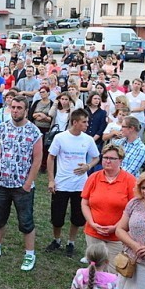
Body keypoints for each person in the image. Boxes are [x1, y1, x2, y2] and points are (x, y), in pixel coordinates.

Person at [81, 143, 136, 289]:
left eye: (112, 158)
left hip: (117, 236)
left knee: (116, 274)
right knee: (95, 269)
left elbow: (132, 209)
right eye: (105, 158)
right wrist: (92, 222)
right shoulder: (95, 177)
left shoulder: (129, 180)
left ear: (120, 160)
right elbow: (85, 202)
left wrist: (116, 227)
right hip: (94, 232)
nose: (107, 161)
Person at [0, 95, 43, 270]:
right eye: (13, 107)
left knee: (26, 222)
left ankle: (29, 254)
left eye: (19, 108)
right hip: (1, 183)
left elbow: (37, 159)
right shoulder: (1, 128)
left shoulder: (34, 132)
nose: (16, 110)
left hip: (22, 186)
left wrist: (28, 184)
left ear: (26, 110)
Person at [46, 109, 100, 257]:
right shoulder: (60, 138)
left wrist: (88, 166)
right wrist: (51, 180)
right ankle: (56, 240)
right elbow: (51, 158)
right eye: (84, 122)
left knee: (77, 217)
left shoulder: (88, 139)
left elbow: (96, 157)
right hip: (61, 183)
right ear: (74, 122)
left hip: (80, 185)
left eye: (87, 121)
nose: (87, 125)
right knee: (57, 217)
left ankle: (71, 242)